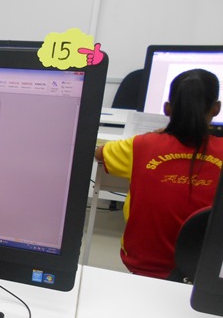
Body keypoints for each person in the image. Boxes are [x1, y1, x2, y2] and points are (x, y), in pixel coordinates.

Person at [95, 68, 223, 279]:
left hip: (143, 265)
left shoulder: (141, 145)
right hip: (205, 270)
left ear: (167, 109)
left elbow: (99, 153)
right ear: (216, 109)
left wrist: (154, 136)